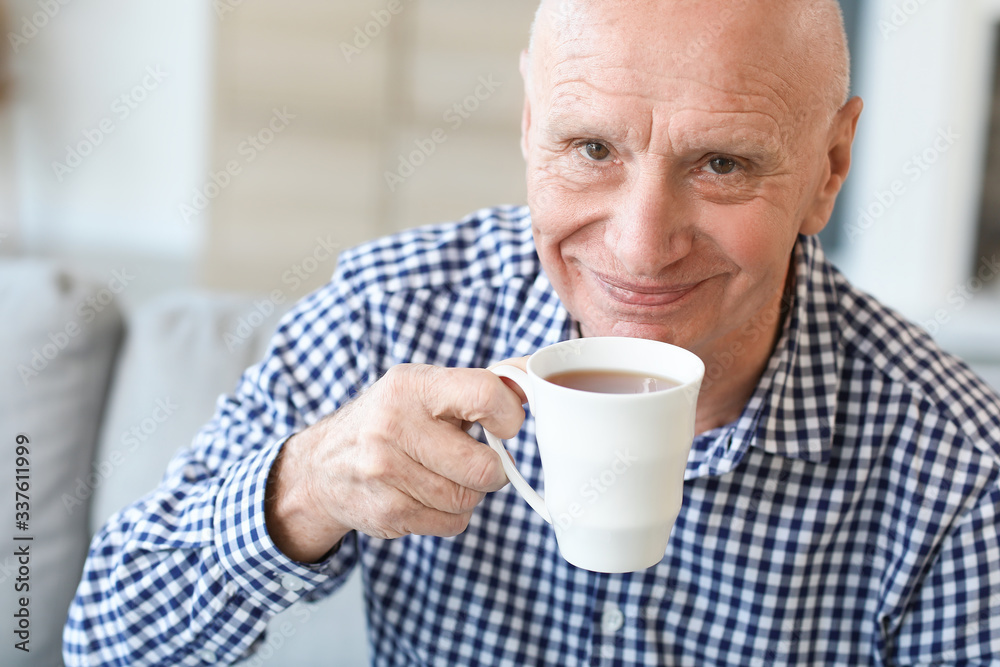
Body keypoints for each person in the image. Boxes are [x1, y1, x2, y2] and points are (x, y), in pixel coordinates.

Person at [65, 0, 1000, 664]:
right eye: (592, 148)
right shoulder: (393, 313)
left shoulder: (959, 475)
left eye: (720, 163)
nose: (639, 247)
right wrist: (304, 488)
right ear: (528, 123)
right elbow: (105, 637)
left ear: (829, 167)